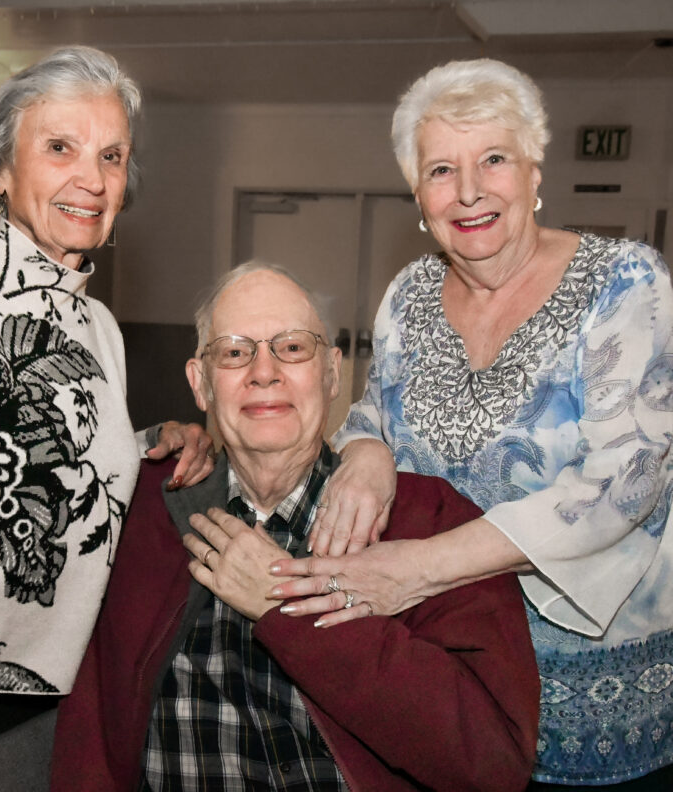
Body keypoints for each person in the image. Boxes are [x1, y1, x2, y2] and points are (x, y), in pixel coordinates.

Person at [268, 59, 673, 790]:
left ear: (533, 168)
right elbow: (373, 408)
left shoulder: (626, 283)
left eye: (494, 159)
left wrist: (416, 568)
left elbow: (624, 483)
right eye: (442, 170)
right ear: (418, 194)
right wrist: (364, 451)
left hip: (593, 702)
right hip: (450, 677)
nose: (470, 191)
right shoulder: (412, 291)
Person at [50, 262, 540, 792]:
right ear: (200, 383)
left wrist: (283, 608)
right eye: (235, 352)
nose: (264, 372)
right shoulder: (137, 508)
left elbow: (492, 764)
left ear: (332, 373)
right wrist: (138, 445)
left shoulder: (430, 522)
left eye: (292, 348)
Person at [0, 46, 213, 792]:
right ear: (2, 168)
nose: (91, 179)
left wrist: (159, 440)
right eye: (61, 147)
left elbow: (73, 472)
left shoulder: (98, 328)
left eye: (112, 156)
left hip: (40, 703)